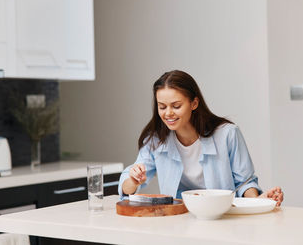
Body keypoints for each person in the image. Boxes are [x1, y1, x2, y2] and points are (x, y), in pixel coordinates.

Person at [118, 70, 283, 206]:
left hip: (223, 217)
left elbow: (245, 182)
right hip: (178, 218)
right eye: (162, 107)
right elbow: (127, 188)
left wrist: (256, 203)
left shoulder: (227, 134)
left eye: (176, 106)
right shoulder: (156, 140)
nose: (168, 113)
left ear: (194, 103)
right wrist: (133, 180)